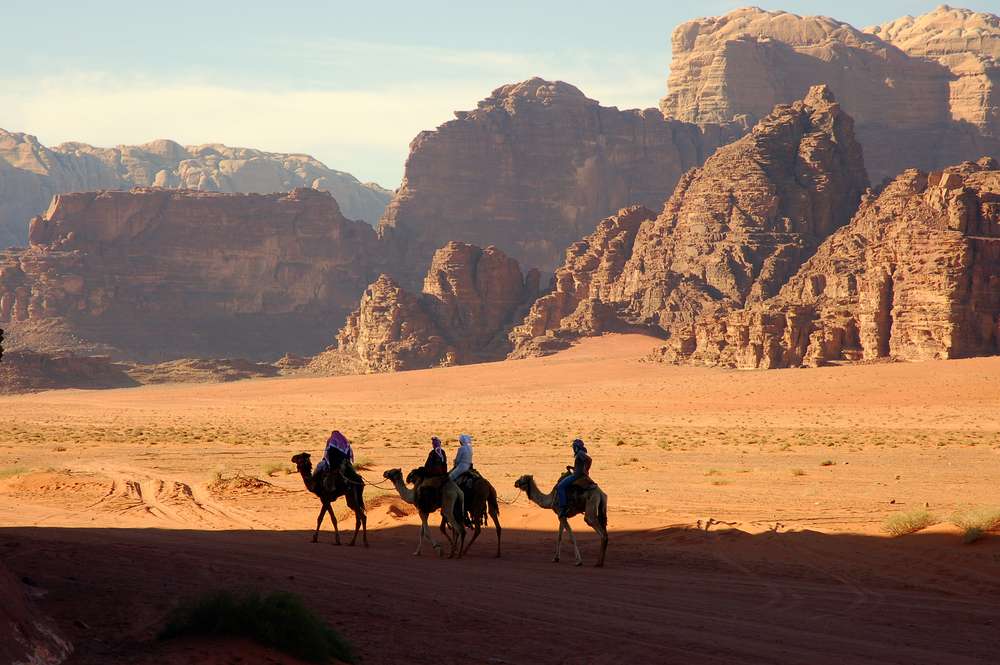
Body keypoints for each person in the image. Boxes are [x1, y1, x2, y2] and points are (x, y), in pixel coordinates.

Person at [556, 439, 592, 517]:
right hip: (578, 474)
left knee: (560, 487)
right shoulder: (581, 453)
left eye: (574, 447)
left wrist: (586, 470)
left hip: (576, 476)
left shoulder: (580, 453)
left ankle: (563, 508)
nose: (573, 449)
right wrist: (572, 467)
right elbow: (580, 466)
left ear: (576, 447)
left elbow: (589, 459)